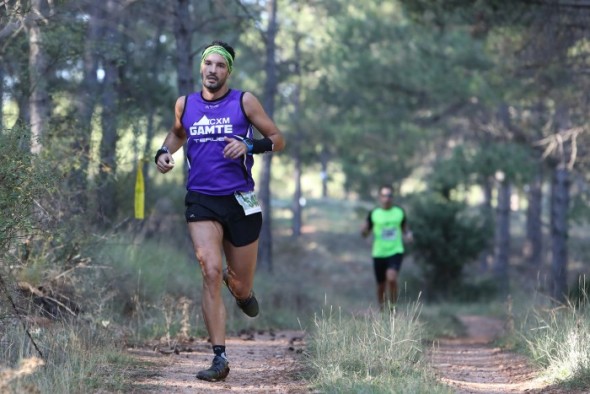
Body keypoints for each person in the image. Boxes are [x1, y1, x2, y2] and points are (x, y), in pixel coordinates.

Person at [155, 40, 285, 382]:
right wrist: (163, 152)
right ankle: (219, 357)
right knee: (209, 270)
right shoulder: (186, 103)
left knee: (239, 284)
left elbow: (277, 138)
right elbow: (177, 133)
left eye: (220, 65)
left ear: (228, 71)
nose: (213, 70)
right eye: (208, 64)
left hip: (240, 200)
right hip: (201, 198)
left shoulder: (244, 101)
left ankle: (241, 290)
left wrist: (248, 144)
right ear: (201, 67)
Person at [361, 185, 412, 310]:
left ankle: (393, 307)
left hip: (395, 251)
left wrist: (409, 235)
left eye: (389, 195)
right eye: (384, 195)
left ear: (392, 197)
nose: (387, 198)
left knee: (392, 278)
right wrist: (364, 231)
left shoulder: (399, 212)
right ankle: (383, 310)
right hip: (378, 253)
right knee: (381, 285)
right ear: (379, 197)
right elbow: (365, 232)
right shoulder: (374, 213)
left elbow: (405, 229)